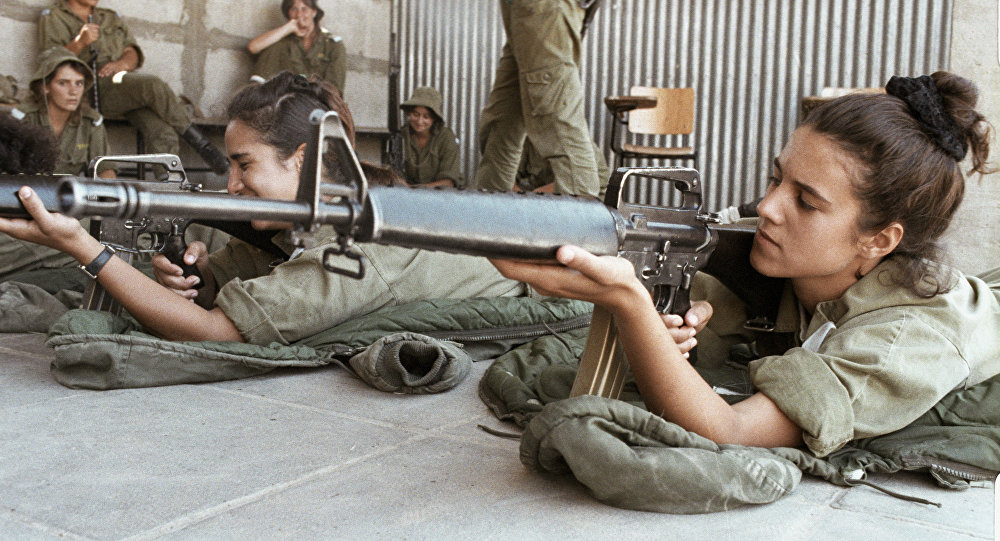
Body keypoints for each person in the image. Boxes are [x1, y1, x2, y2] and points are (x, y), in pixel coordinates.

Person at [491, 71, 1000, 457]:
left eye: (807, 202)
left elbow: (729, 431)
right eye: (777, 178)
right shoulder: (793, 261)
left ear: (879, 239)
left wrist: (627, 301)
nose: (767, 207)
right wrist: (659, 324)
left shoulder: (905, 341)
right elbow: (689, 330)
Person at [0, 72, 525, 345]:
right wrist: (198, 276)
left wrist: (84, 248)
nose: (231, 186)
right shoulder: (298, 221)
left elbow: (215, 332)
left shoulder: (361, 245)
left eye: (244, 165)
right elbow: (217, 291)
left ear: (302, 159)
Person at [38, 0, 229, 176]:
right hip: (85, 88)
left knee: (162, 130)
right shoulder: (53, 16)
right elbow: (50, 63)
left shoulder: (109, 17)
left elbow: (132, 52)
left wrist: (121, 64)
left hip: (120, 83)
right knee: (152, 85)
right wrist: (80, 42)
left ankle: (170, 185)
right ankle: (203, 146)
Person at [473, 0, 602, 198]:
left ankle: (580, 215)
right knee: (502, 124)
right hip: (522, 10)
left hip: (543, 9)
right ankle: (488, 211)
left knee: (557, 124)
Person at [12, 47, 115, 179]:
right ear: (45, 87)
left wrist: (107, 189)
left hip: (68, 190)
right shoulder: (23, 119)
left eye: (79, 83)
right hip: (26, 190)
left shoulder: (90, 122)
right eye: (63, 83)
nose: (73, 91)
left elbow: (104, 169)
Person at [248, 0, 346, 95]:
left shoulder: (333, 45)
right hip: (288, 101)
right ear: (288, 14)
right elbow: (253, 47)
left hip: (320, 101)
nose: (299, 14)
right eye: (294, 9)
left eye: (304, 9)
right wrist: (287, 28)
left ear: (314, 12)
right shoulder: (281, 43)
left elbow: (334, 90)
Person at [399, 86, 462, 188]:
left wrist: (416, 190)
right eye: (415, 114)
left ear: (434, 118)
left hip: (439, 195)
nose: (419, 121)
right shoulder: (401, 136)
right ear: (409, 113)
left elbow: (448, 182)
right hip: (404, 194)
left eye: (426, 117)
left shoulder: (446, 138)